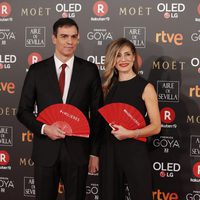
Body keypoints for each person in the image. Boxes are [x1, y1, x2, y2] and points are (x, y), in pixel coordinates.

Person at [17, 17, 103, 200]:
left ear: (78, 38)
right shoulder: (37, 70)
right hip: (45, 151)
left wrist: (95, 152)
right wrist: (44, 128)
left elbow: (97, 115)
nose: (69, 41)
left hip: (78, 152)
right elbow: (23, 111)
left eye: (73, 36)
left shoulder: (89, 70)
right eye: (64, 36)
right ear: (54, 38)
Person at [99, 38, 161, 200]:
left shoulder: (146, 87)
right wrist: (95, 154)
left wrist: (131, 133)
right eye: (118, 55)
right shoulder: (106, 88)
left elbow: (156, 127)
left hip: (135, 151)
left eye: (127, 54)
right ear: (113, 60)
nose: (123, 59)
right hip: (109, 151)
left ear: (134, 57)